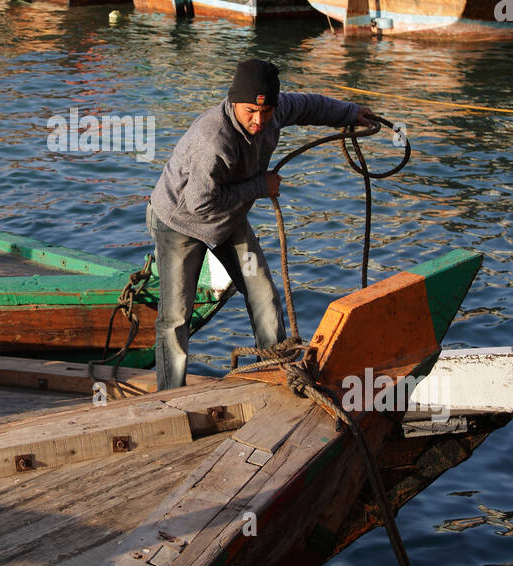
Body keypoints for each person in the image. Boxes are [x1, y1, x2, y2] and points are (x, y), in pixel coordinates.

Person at [145, 59, 377, 389]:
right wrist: (259, 187)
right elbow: (200, 203)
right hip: (180, 223)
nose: (258, 120)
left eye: (265, 112)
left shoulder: (274, 111)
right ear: (233, 102)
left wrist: (350, 113)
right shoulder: (212, 140)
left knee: (263, 293)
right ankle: (168, 396)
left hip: (229, 218)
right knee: (176, 317)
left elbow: (311, 106)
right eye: (250, 112)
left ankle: (274, 376)